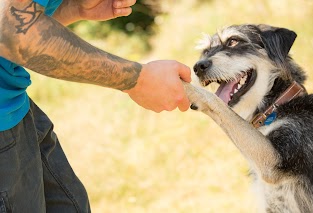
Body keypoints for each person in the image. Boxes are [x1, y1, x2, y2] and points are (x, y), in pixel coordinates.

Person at [0, 0, 191, 212]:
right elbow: (10, 29)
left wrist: (74, 9)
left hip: (14, 107)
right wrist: (137, 80)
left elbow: (17, 25)